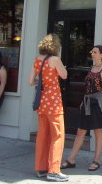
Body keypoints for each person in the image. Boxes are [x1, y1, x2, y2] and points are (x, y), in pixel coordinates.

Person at [61, 45, 102, 172]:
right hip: (87, 102)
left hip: (97, 103)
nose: (92, 54)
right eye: (92, 52)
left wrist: (97, 94)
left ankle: (96, 160)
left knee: (97, 131)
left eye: (95, 52)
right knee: (81, 131)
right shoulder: (92, 68)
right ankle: (71, 159)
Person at [29, 34, 68, 182]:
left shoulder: (37, 61)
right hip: (54, 104)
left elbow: (30, 81)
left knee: (42, 136)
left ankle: (40, 168)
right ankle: (54, 171)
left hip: (42, 104)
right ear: (55, 47)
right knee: (57, 136)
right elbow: (64, 75)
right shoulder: (55, 60)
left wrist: (42, 80)